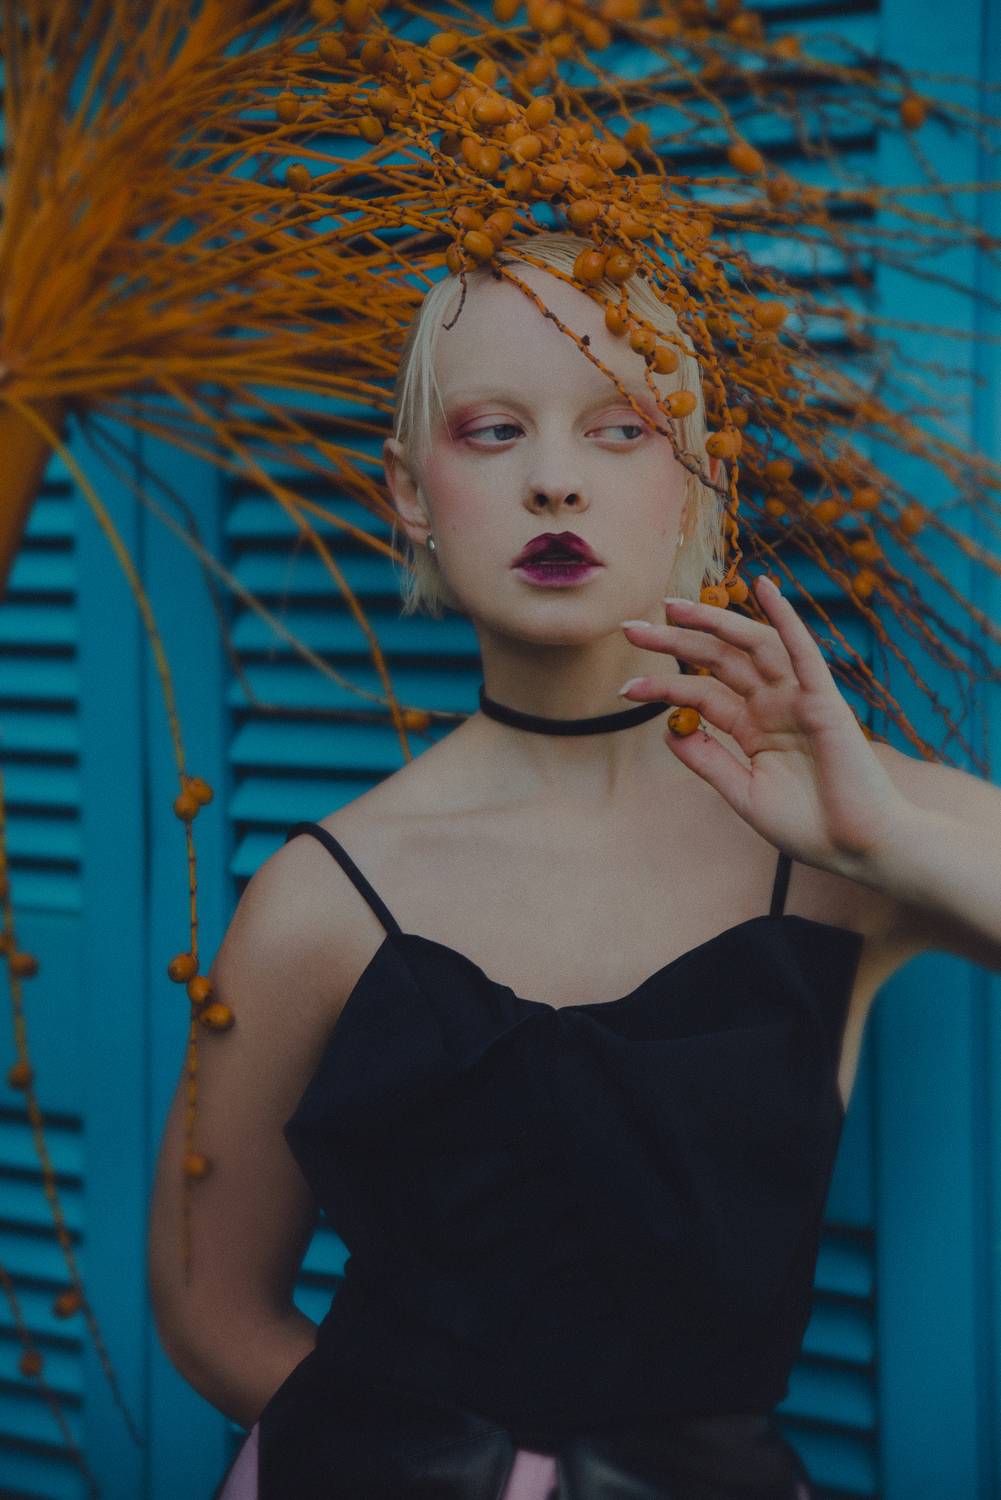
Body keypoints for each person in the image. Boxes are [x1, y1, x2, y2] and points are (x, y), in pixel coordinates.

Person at [148, 232, 1001, 1500]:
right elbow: (207, 1304)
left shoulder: (847, 843)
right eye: (493, 431)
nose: (553, 481)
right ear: (408, 492)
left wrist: (886, 840)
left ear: (700, 481)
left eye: (619, 430)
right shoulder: (317, 899)